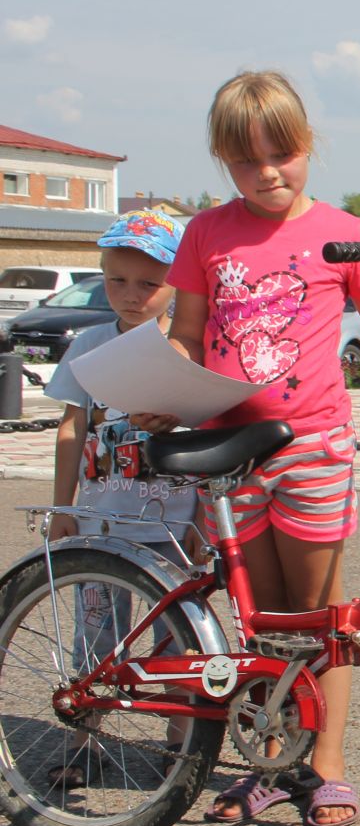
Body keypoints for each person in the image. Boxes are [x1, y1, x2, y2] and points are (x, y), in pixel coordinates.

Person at [132, 71, 360, 826]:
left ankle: (328, 766)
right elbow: (186, 332)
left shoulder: (342, 232)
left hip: (313, 442)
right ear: (223, 162)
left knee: (324, 617)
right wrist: (161, 390)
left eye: (284, 153)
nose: (269, 172)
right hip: (228, 450)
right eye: (248, 161)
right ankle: (270, 761)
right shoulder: (207, 234)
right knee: (263, 623)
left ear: (309, 147)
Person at [42, 208, 196, 789]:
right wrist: (62, 509)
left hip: (174, 528)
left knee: (181, 643)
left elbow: (204, 433)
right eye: (116, 280)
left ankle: (182, 747)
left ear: (175, 284)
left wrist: (205, 517)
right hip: (99, 524)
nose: (130, 295)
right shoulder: (89, 343)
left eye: (148, 283)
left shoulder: (186, 347)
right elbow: (71, 427)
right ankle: (83, 743)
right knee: (96, 640)